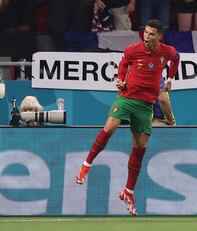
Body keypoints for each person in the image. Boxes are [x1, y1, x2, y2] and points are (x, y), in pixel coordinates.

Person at [75, 19, 180, 216]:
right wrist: (120, 79)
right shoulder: (133, 50)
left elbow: (177, 59)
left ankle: (128, 191)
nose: (147, 36)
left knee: (140, 147)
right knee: (110, 127)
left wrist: (171, 79)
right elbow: (123, 64)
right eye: (146, 32)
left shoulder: (166, 51)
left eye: (151, 34)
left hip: (146, 106)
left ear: (159, 37)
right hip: (127, 98)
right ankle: (86, 165)